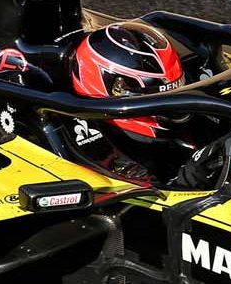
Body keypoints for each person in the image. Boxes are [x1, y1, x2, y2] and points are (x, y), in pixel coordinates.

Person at [65, 20, 198, 184]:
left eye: (174, 90)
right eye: (154, 95)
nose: (170, 102)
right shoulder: (92, 146)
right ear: (115, 88)